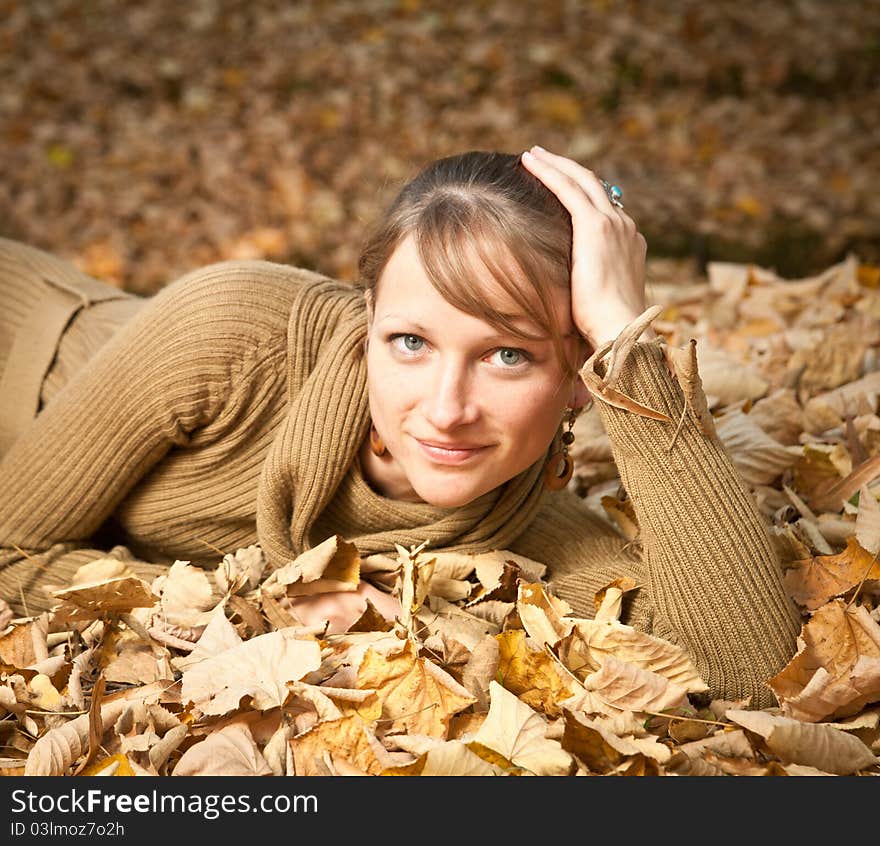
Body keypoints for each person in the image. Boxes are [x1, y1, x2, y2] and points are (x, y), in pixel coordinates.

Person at [0, 146, 801, 707]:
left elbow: (745, 664)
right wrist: (247, 605)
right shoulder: (228, 335)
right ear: (366, 321)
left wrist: (629, 341)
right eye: (409, 343)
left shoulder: (522, 531)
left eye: (508, 356)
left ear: (578, 378)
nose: (446, 409)